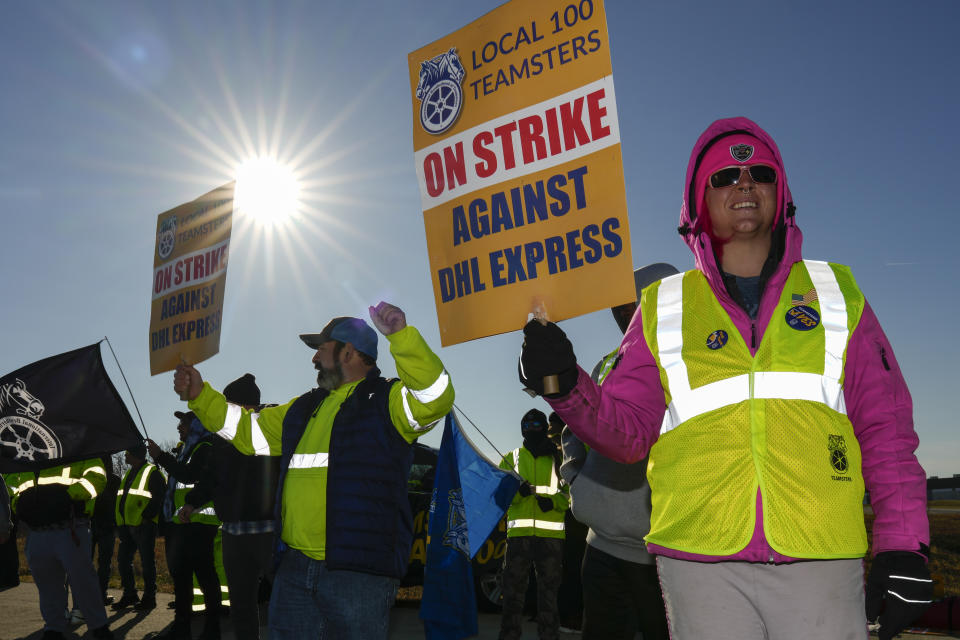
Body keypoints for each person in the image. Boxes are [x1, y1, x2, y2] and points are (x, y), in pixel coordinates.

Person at [518, 116, 932, 640]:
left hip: (819, 556)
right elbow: (626, 432)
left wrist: (903, 543)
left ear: (779, 193)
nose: (744, 183)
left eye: (759, 172)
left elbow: (888, 432)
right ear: (698, 199)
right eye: (724, 177)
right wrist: (564, 382)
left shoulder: (836, 292)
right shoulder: (664, 305)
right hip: (700, 562)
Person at [172, 302, 454, 640]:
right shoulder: (304, 407)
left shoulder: (387, 401)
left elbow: (435, 398)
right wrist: (200, 396)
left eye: (321, 349)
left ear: (349, 352)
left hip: (357, 574)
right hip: (294, 567)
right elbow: (247, 432)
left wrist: (402, 338)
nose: (314, 358)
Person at [560, 264, 677, 640]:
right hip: (600, 548)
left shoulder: (692, 366)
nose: (623, 314)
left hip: (663, 558)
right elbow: (574, 430)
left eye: (634, 305)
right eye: (617, 307)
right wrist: (574, 480)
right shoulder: (607, 364)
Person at [201, 373, 280, 640]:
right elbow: (212, 476)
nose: (225, 410)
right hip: (233, 532)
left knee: (287, 599)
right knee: (241, 604)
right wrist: (191, 503)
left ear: (246, 405)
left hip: (269, 531)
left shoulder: (271, 425)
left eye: (229, 403)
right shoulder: (221, 437)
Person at [3, 458, 114, 639]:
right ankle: (53, 628)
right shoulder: (27, 455)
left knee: (83, 581)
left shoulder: (81, 448)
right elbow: (10, 484)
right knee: (47, 585)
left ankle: (99, 627)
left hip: (71, 527)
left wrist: (69, 496)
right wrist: (19, 505)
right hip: (38, 530)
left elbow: (97, 478)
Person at [147, 411, 222, 640]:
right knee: (181, 579)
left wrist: (161, 457)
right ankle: (182, 629)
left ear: (197, 425)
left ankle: (212, 631)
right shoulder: (187, 449)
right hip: (180, 525)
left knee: (205, 577)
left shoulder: (205, 447)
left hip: (198, 523)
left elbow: (190, 476)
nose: (179, 427)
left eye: (184, 423)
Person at [497, 408, 569, 640]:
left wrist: (555, 503)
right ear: (522, 431)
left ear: (544, 429)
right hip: (519, 537)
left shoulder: (560, 459)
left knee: (549, 594)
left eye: (537, 426)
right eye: (527, 427)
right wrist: (516, 493)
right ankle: (509, 636)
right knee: (512, 593)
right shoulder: (511, 458)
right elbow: (499, 496)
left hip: (551, 540)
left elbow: (571, 493)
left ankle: (549, 636)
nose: (532, 431)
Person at [113, 444, 166, 611]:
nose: (125, 455)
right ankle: (130, 594)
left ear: (134, 454)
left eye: (127, 452)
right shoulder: (129, 472)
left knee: (147, 563)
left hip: (143, 526)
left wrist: (146, 518)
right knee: (123, 561)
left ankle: (149, 598)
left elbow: (159, 497)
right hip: (127, 526)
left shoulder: (152, 472)